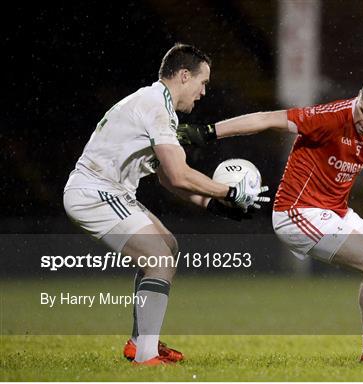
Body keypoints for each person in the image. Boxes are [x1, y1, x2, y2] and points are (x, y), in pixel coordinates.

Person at [177, 72, 363, 363]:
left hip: (335, 210)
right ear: (359, 96)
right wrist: (207, 132)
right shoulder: (328, 117)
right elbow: (264, 119)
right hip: (296, 212)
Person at [63, 43, 269, 366]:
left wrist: (215, 206)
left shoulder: (157, 106)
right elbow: (180, 173)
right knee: (158, 257)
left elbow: (168, 179)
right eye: (203, 83)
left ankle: (139, 343)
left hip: (112, 192)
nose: (203, 93)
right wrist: (228, 192)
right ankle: (145, 358)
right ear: (184, 76)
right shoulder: (156, 105)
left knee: (168, 248)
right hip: (94, 192)